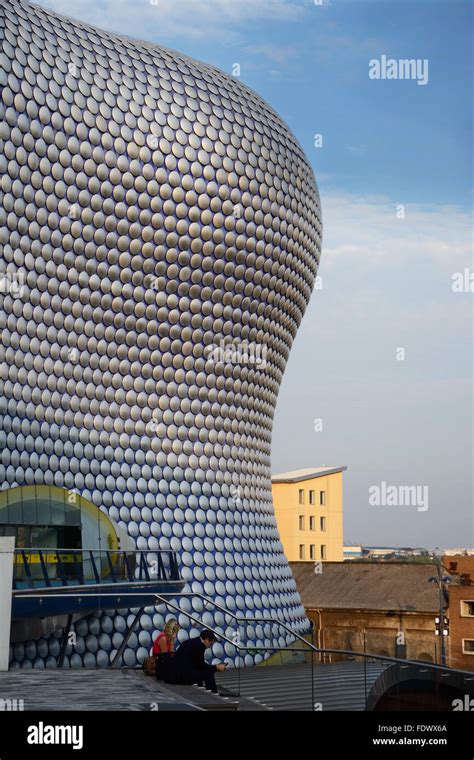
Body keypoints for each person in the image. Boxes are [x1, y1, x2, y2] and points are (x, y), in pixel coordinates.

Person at [166, 629, 226, 693]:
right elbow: (201, 665)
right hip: (181, 677)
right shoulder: (200, 646)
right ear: (206, 640)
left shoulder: (192, 642)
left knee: (201, 672)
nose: (210, 647)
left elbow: (197, 663)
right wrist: (216, 667)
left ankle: (205, 689)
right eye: (210, 644)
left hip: (174, 675)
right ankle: (214, 693)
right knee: (209, 673)